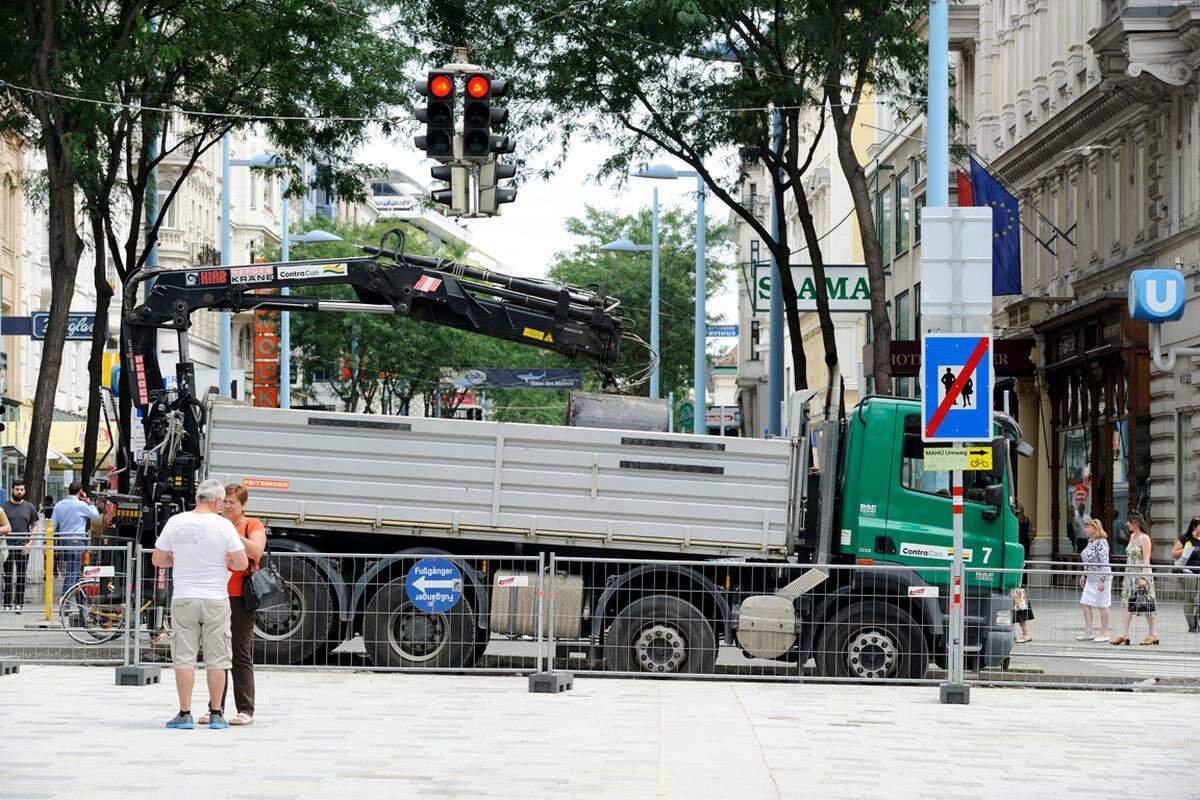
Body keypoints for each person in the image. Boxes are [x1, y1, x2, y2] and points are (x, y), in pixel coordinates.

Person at [152, 479, 248, 730]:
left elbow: (158, 558)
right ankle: (216, 714)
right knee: (217, 658)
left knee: (184, 658)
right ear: (217, 501)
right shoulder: (224, 526)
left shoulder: (176, 522)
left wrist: (178, 559)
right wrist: (222, 559)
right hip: (216, 598)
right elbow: (241, 563)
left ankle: (184, 714)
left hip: (184, 597)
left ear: (197, 498)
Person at [197, 483, 266, 727]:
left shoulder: (252, 525)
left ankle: (246, 708)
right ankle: (216, 707)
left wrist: (232, 534)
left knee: (240, 652)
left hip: (240, 597)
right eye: (224, 501)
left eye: (232, 502)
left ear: (243, 505)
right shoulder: (214, 524)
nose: (226, 506)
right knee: (215, 653)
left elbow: (257, 549)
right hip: (215, 593)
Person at [1111, 512, 1158, 646]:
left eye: (1129, 522)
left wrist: (1143, 577)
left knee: (1147, 604)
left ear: (1136, 523)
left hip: (1142, 575)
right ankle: (1124, 634)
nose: (1127, 524)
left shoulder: (1145, 538)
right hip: (1130, 576)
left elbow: (1146, 559)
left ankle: (1153, 634)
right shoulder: (1132, 536)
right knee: (1126, 603)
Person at [50, 482, 99, 595]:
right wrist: (88, 501)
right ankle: (66, 600)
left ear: (68, 491)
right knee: (73, 571)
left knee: (72, 571)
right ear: (80, 492)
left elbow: (52, 525)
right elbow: (95, 515)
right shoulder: (81, 505)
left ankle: (74, 598)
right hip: (76, 540)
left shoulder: (59, 505)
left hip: (63, 540)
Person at [2, 481, 41, 611]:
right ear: (12, 490)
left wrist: (30, 543)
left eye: (22, 489)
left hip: (23, 546)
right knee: (7, 575)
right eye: (17, 489)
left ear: (24, 491)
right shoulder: (4, 507)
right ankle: (7, 603)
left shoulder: (29, 507)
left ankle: (19, 603)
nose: (19, 492)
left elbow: (35, 526)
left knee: (21, 575)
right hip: (7, 547)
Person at [1076, 519, 1111, 642]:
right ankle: (1089, 631)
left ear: (1095, 529)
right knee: (1085, 603)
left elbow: (1104, 562)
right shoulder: (1090, 541)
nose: (1085, 529)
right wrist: (1084, 574)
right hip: (1090, 577)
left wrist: (1102, 579)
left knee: (1103, 605)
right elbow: (1087, 560)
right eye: (1085, 527)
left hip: (1101, 578)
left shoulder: (1102, 543)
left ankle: (1104, 633)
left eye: (1088, 527)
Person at [1172, 514, 1200, 633]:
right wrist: (1187, 549)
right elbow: (1174, 553)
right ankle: (1191, 624)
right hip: (1188, 572)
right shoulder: (1185, 539)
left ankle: (1197, 618)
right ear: (1194, 527)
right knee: (1190, 597)